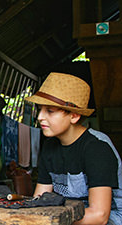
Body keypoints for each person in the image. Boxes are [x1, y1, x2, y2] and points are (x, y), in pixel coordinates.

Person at [25, 72, 122, 224]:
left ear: (74, 116)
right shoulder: (50, 146)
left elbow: (99, 216)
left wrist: (47, 220)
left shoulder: (97, 148)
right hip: (66, 219)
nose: (40, 117)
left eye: (50, 111)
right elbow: (39, 201)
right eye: (40, 109)